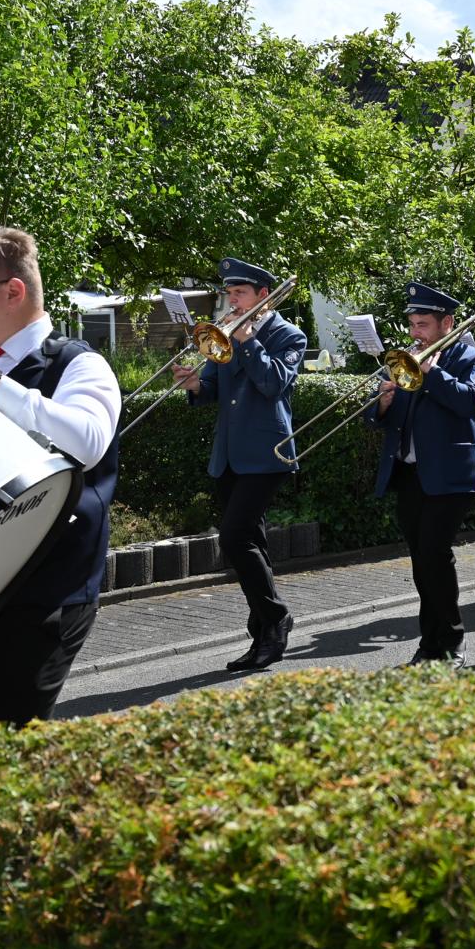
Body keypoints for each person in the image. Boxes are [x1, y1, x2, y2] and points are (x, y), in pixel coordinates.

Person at [0, 226, 120, 750]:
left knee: (2, 755)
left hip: (43, 597)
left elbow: (86, 441)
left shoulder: (79, 364)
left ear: (13, 291)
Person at [174, 257, 305, 672]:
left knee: (234, 538)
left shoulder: (288, 335)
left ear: (263, 296)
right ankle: (264, 633)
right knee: (253, 542)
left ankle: (276, 617)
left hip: (268, 452)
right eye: (229, 293)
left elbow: (273, 384)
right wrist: (195, 384)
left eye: (240, 293)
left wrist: (248, 342)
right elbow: (214, 388)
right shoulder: (226, 333)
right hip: (230, 454)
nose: (232, 300)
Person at [366, 283, 475, 668]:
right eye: (412, 324)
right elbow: (384, 419)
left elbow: (472, 402)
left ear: (446, 323)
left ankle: (452, 642)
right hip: (409, 474)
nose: (415, 332)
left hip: (450, 474)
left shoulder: (473, 358)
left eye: (422, 324)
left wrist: (432, 374)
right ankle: (430, 644)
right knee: (421, 560)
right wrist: (382, 402)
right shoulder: (405, 360)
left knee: (435, 554)